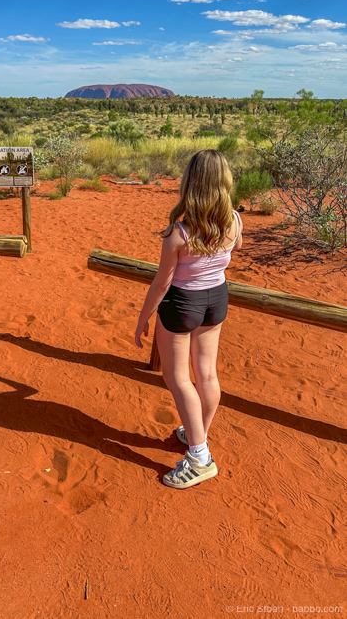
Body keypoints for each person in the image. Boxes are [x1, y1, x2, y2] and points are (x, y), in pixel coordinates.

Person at [134, 149, 243, 490]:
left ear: (190, 183)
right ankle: (196, 432)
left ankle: (199, 456)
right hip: (217, 301)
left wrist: (143, 318)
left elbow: (163, 281)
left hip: (182, 305)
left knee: (178, 378)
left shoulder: (178, 234)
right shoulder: (236, 220)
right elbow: (233, 248)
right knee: (206, 373)